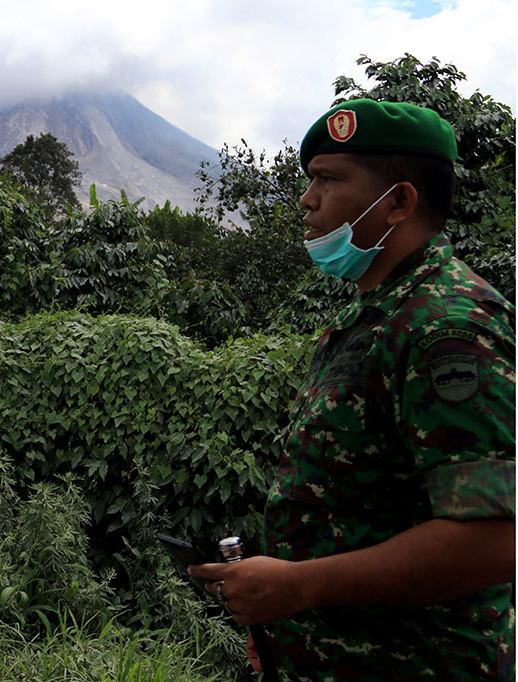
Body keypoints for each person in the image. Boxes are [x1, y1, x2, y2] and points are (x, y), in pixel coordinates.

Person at [189, 99, 515, 680]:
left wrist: (298, 587)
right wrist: (287, 626)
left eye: (327, 180)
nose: (306, 200)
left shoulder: (448, 326)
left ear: (398, 202)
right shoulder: (373, 316)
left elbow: (494, 537)